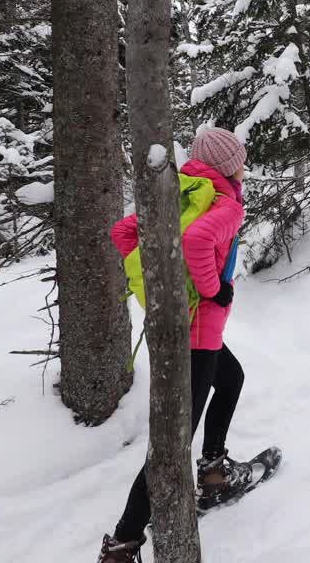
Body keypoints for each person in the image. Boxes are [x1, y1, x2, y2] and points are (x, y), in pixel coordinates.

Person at [100, 128, 251, 563]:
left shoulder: (181, 191)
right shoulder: (225, 204)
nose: (243, 166)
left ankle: (214, 470)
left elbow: (123, 232)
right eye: (239, 160)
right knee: (171, 444)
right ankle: (123, 544)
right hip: (200, 335)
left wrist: (160, 294)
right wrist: (210, 290)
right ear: (228, 165)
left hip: (178, 328)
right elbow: (197, 241)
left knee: (233, 378)